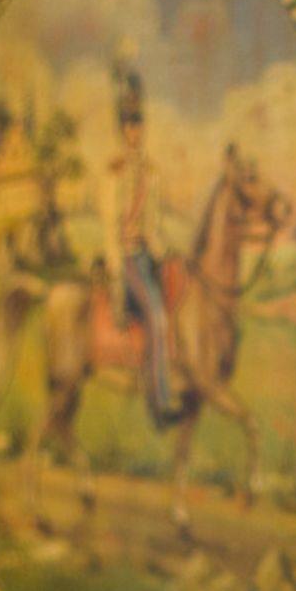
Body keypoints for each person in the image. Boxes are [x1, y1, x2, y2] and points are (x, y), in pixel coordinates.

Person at [98, 54, 176, 425]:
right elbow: (110, 228)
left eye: (138, 124)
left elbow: (154, 225)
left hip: (147, 256)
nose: (135, 131)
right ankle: (160, 404)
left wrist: (163, 249)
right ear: (121, 130)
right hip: (128, 261)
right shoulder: (113, 174)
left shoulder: (151, 173)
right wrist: (117, 271)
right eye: (129, 125)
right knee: (157, 319)